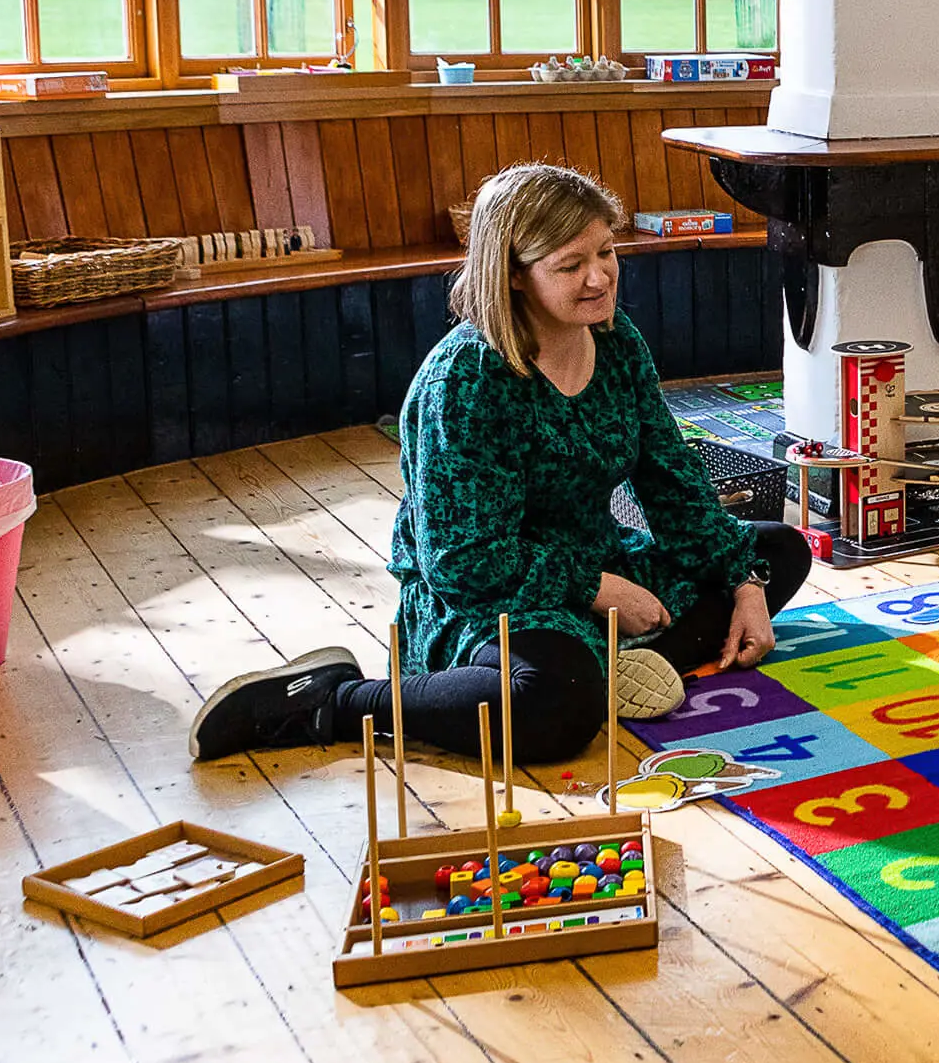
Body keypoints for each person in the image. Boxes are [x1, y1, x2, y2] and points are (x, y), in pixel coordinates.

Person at [189, 163, 811, 767]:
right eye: (570, 265)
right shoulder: (466, 380)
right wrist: (597, 589)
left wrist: (744, 581)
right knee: (554, 708)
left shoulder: (618, 341)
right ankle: (333, 698)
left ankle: (606, 663)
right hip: (489, 588)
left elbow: (671, 478)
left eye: (606, 253)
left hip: (596, 557)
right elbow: (462, 562)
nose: (599, 278)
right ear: (512, 275)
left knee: (781, 548)